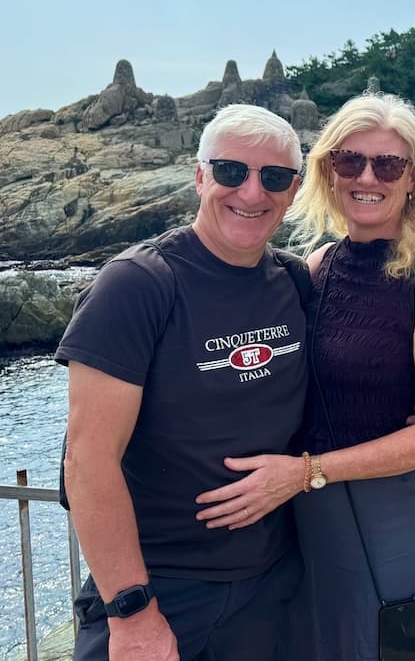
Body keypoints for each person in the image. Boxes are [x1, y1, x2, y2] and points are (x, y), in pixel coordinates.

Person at [197, 94, 415, 659]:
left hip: (387, 511)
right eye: (350, 161)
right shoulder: (317, 267)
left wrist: (305, 473)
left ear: (412, 180)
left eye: (388, 165)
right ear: (328, 172)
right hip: (307, 515)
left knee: (388, 642)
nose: (367, 177)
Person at [57, 104, 307, 660]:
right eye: (230, 171)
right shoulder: (138, 284)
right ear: (199, 176)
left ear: (293, 191)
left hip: (271, 589)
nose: (251, 192)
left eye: (274, 177)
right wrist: (132, 612)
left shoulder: (295, 282)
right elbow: (88, 460)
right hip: (158, 591)